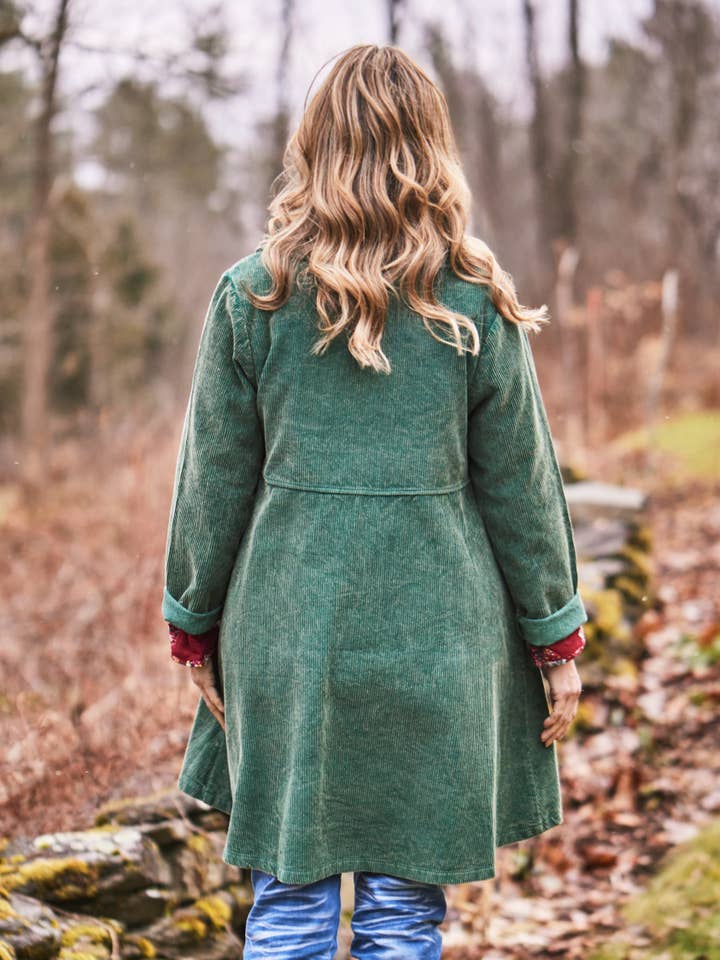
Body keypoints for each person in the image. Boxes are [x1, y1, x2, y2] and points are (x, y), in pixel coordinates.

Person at [162, 43, 587, 960]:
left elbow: (211, 487)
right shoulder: (472, 300)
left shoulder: (255, 297)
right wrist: (557, 639)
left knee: (290, 903)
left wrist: (191, 625)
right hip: (437, 641)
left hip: (289, 643)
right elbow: (524, 492)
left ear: (314, 148)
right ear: (430, 151)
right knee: (402, 917)